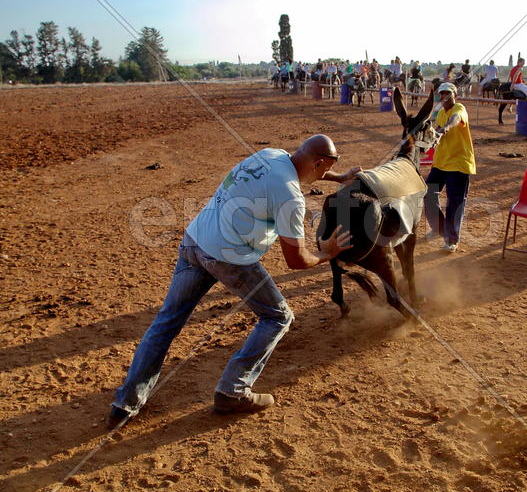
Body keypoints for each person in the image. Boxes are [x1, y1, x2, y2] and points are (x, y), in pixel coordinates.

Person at [108, 136, 360, 426]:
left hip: (195, 241)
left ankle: (123, 405)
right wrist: (326, 253)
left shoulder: (272, 154)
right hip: (227, 257)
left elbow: (306, 166)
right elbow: (297, 260)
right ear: (317, 163)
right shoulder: (290, 197)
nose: (322, 174)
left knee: (166, 323)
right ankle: (233, 391)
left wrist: (338, 176)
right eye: (324, 168)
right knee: (278, 317)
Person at [424, 82, 475, 253]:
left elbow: (456, 120)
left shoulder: (459, 109)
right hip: (440, 163)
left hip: (459, 164)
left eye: (448, 93)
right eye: (442, 94)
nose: (444, 96)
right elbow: (437, 131)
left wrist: (446, 128)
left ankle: (452, 240)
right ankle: (439, 229)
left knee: (454, 203)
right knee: (427, 194)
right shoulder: (440, 114)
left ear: (455, 95)